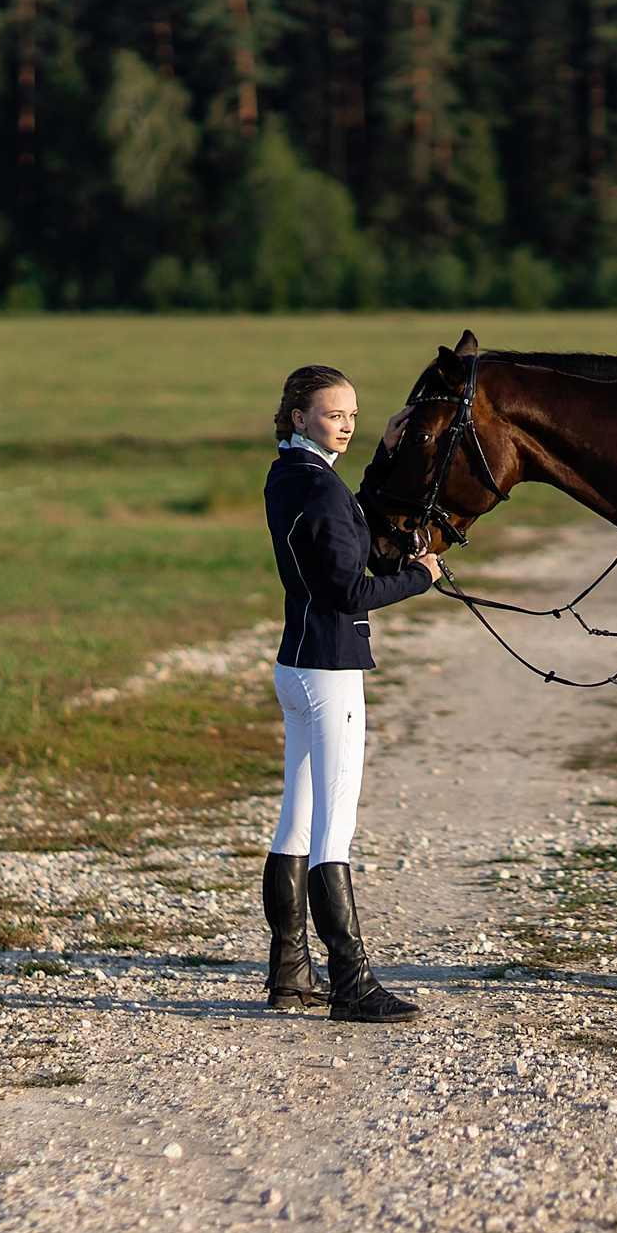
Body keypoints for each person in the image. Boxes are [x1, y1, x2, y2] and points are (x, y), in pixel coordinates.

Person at [260, 364, 442, 1024]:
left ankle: (289, 973)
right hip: (330, 671)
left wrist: (381, 456)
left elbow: (347, 522)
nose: (346, 423)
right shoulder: (319, 488)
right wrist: (420, 577)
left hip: (296, 667)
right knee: (332, 831)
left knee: (296, 825)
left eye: (354, 416)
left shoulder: (291, 475)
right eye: (335, 414)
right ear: (301, 416)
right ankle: (352, 984)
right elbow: (351, 589)